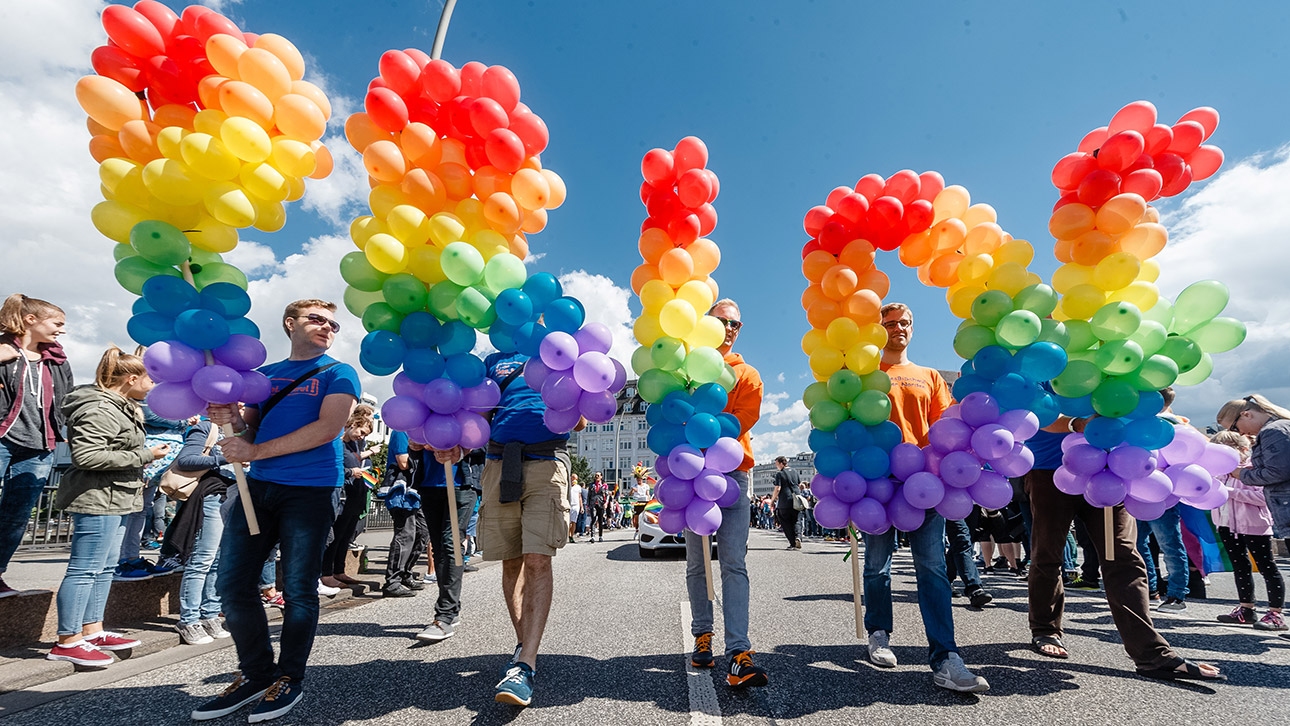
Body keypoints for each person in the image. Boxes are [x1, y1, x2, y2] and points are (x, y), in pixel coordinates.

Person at [192, 299, 360, 723]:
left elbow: (328, 428)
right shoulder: (263, 375)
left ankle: (289, 678)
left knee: (299, 589)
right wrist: (229, 418)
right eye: (316, 319)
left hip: (312, 490)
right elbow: (250, 429)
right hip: (260, 488)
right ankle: (256, 674)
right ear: (290, 324)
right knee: (233, 584)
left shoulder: (339, 372)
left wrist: (255, 451)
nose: (327, 327)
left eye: (333, 324)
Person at [1023, 406, 1223, 681]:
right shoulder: (1048, 376)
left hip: (1113, 468)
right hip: (1052, 470)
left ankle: (1152, 654)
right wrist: (1078, 424)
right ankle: (1045, 628)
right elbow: (1038, 414)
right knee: (1048, 553)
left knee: (1123, 557)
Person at [430, 344, 580, 708]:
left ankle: (525, 664)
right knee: (511, 561)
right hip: (499, 462)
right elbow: (479, 418)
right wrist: (460, 448)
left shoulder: (561, 353)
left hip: (548, 459)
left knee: (538, 559)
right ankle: (524, 646)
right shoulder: (493, 361)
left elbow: (580, 420)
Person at [863, 302, 988, 692]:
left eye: (904, 323)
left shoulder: (930, 376)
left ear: (912, 328)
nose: (897, 328)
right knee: (877, 566)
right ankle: (878, 633)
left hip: (925, 482)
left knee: (932, 568)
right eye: (889, 323)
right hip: (877, 482)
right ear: (878, 329)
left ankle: (945, 656)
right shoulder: (866, 373)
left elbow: (945, 428)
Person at [46, 347, 163, 666]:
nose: (153, 386)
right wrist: (146, 456)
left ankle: (92, 631)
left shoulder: (121, 406)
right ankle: (67, 641)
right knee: (85, 569)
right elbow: (87, 456)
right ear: (132, 379)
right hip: (98, 497)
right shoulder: (100, 407)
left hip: (117, 496)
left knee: (104, 567)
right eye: (150, 379)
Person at [687, 298, 768, 689]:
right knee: (697, 562)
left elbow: (742, 420)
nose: (729, 328)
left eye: (736, 323)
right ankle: (703, 634)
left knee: (733, 561)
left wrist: (705, 429)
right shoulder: (686, 368)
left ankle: (738, 652)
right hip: (690, 473)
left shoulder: (747, 374)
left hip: (733, 472)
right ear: (707, 323)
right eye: (722, 321)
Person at [0, 294, 72, 597]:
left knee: (16, 515)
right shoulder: (3, 349)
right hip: (3, 438)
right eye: (57, 323)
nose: (62, 330)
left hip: (39, 446)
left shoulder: (57, 360)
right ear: (31, 320)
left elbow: (67, 399)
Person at [1210, 430, 1286, 630]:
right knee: (1240, 567)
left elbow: (1263, 498)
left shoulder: (1254, 468)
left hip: (1255, 525)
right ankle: (1246, 609)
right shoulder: (1219, 472)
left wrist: (1229, 492)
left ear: (1241, 449)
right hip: (1226, 525)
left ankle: (1276, 614)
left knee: (1267, 567)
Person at [171, 417, 235, 645]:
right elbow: (186, 459)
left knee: (219, 560)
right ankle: (188, 619)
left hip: (233, 498)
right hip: (213, 497)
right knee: (203, 559)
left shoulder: (243, 431)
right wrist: (225, 457)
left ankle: (210, 614)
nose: (242, 406)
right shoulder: (208, 427)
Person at [412, 442, 475, 643]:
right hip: (430, 484)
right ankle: (451, 608)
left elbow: (484, 441)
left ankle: (444, 616)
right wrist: (414, 446)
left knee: (451, 544)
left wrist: (462, 450)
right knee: (439, 549)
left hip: (460, 485)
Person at [1217, 394, 1290, 543]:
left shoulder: (1272, 431)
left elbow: (1278, 472)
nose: (1240, 433)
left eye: (1234, 428)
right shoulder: (1281, 426)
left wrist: (1241, 473)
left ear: (1246, 414)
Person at [320, 412, 378, 591]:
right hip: (343, 495)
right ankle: (326, 573)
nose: (362, 437)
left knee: (345, 536)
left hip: (355, 495)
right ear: (353, 424)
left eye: (365, 435)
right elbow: (333, 466)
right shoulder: (338, 442)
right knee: (335, 537)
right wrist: (351, 472)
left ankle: (339, 570)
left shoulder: (354, 444)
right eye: (361, 432)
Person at [383, 429, 427, 597]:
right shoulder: (401, 431)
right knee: (405, 534)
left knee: (423, 533)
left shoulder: (421, 433)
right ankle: (392, 582)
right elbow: (403, 463)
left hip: (416, 491)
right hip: (401, 491)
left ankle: (405, 574)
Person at [770, 456, 801, 549]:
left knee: (785, 522)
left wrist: (772, 500)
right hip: (796, 500)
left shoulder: (780, 473)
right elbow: (798, 484)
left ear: (781, 463)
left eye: (777, 464)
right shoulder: (795, 471)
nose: (776, 466)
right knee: (796, 520)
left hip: (785, 500)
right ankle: (798, 537)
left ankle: (793, 543)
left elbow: (778, 488)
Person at [588, 472, 609, 542]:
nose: (596, 477)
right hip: (593, 503)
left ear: (601, 477)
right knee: (593, 519)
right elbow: (589, 496)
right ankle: (592, 536)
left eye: (598, 475)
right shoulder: (591, 485)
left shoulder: (604, 486)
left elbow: (607, 495)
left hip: (601, 504)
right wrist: (588, 505)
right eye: (595, 475)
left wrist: (606, 503)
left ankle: (600, 536)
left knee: (600, 520)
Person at [568, 474, 583, 543]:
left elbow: (580, 497)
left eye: (576, 479)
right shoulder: (568, 486)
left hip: (576, 505)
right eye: (573, 478)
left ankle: (571, 536)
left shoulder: (578, 487)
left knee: (573, 522)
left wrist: (581, 507)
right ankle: (568, 535)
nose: (574, 480)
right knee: (568, 522)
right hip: (569, 505)